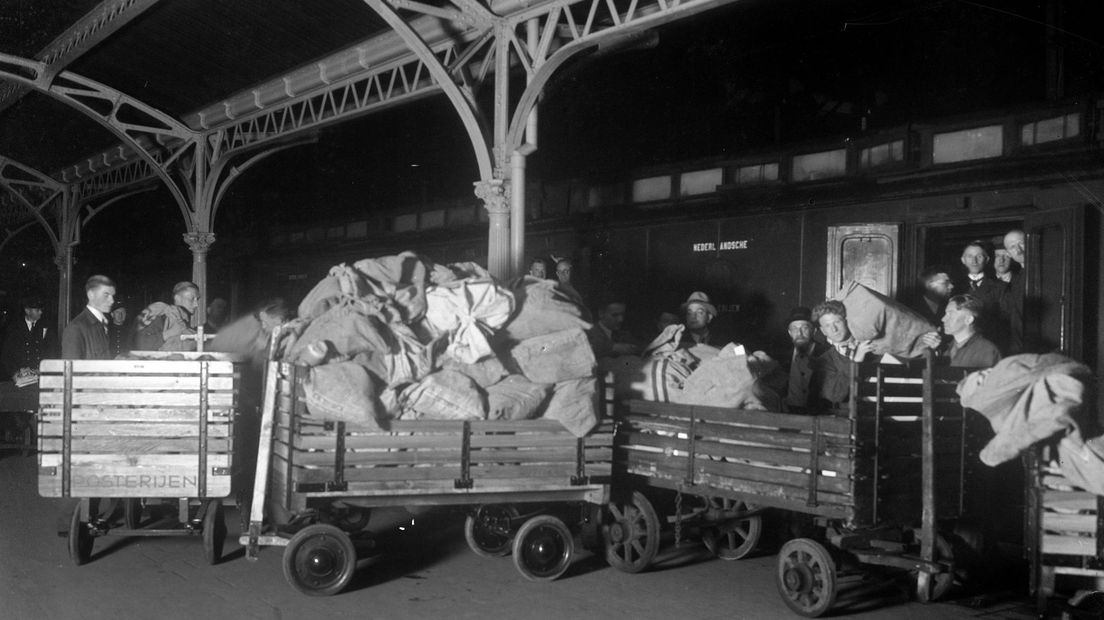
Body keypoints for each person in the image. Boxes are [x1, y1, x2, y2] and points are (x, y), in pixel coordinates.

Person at [811, 300, 873, 406]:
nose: (834, 329)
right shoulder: (824, 360)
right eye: (827, 326)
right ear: (823, 331)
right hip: (849, 417)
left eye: (837, 322)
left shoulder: (869, 345)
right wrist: (854, 362)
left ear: (846, 321)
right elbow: (835, 395)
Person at [920, 294, 1001, 368]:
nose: (943, 319)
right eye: (945, 314)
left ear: (968, 320)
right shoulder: (947, 349)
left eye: (950, 314)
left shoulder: (986, 350)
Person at [782, 306, 830, 412]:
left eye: (804, 328)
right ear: (790, 333)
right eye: (794, 329)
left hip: (817, 415)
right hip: (789, 413)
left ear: (814, 331)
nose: (799, 333)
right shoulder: (782, 356)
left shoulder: (826, 354)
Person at [1, 295, 56, 379]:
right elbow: (6, 354)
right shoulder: (14, 327)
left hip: (39, 374)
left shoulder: (46, 325)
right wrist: (14, 373)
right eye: (37, 310)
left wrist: (43, 369)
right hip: (20, 376)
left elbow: (51, 350)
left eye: (41, 310)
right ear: (27, 311)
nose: (41, 312)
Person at [61, 275, 116, 360]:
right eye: (106, 295)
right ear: (91, 295)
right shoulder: (76, 328)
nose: (112, 300)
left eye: (112, 296)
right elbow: (70, 371)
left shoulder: (103, 323)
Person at [1001, 229, 1026, 354]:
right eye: (1012, 247)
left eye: (1021, 243)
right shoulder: (1016, 280)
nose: (1019, 250)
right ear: (1009, 254)